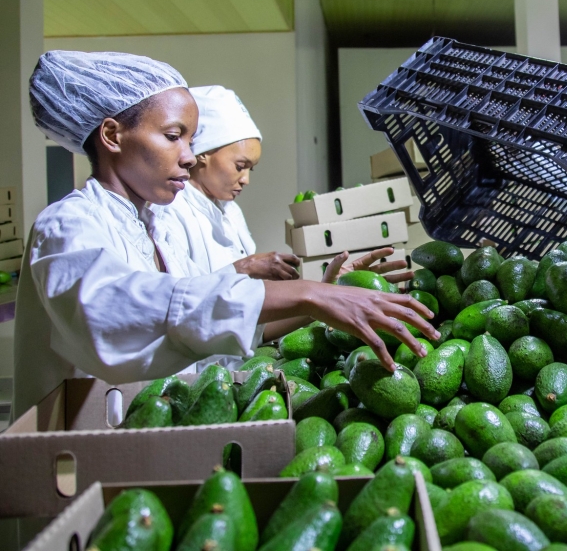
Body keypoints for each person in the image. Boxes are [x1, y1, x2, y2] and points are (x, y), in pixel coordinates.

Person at [13, 51, 435, 417]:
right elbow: (115, 314)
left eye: (192, 140)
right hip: (78, 469)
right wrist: (308, 294)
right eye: (174, 136)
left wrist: (326, 295)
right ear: (112, 135)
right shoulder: (69, 225)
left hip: (152, 448)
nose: (189, 156)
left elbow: (209, 329)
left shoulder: (157, 228)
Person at [153, 85, 410, 285]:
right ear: (202, 154)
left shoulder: (228, 210)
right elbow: (177, 301)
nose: (246, 179)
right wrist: (246, 267)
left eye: (251, 169)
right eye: (240, 166)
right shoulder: (171, 213)